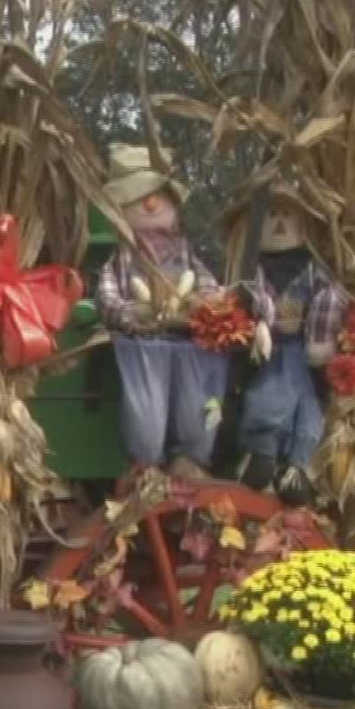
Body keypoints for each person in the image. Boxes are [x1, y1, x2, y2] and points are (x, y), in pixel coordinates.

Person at [95, 143, 229, 480]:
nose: (151, 204)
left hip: (189, 343)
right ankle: (146, 462)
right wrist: (132, 313)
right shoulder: (123, 260)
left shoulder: (184, 256)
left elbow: (209, 287)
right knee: (146, 407)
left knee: (200, 400)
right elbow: (107, 299)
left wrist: (205, 303)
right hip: (144, 343)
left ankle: (191, 457)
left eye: (158, 196)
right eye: (139, 198)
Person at [230, 185, 345, 504]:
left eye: (287, 215)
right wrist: (262, 322)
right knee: (267, 395)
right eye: (272, 214)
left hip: (304, 350)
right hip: (271, 350)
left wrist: (321, 337)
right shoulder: (253, 269)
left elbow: (331, 297)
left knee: (308, 409)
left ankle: (296, 466)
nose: (279, 223)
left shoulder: (314, 270)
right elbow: (252, 294)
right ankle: (263, 454)